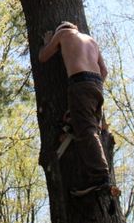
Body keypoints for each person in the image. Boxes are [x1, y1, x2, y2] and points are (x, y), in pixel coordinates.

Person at [39, 21, 113, 196]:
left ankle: (100, 176)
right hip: (96, 85)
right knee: (88, 127)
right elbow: (104, 71)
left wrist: (48, 42)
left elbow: (43, 57)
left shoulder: (63, 33)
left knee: (86, 130)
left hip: (80, 82)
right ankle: (94, 173)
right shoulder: (90, 40)